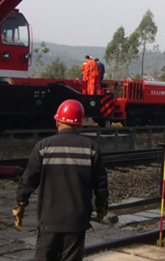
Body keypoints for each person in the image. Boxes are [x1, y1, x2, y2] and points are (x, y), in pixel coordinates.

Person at [14, 99, 109, 261]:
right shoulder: (91, 148)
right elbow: (100, 183)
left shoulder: (43, 146)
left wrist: (20, 203)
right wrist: (101, 207)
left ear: (58, 121)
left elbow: (28, 180)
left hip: (49, 219)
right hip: (77, 221)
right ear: (80, 123)